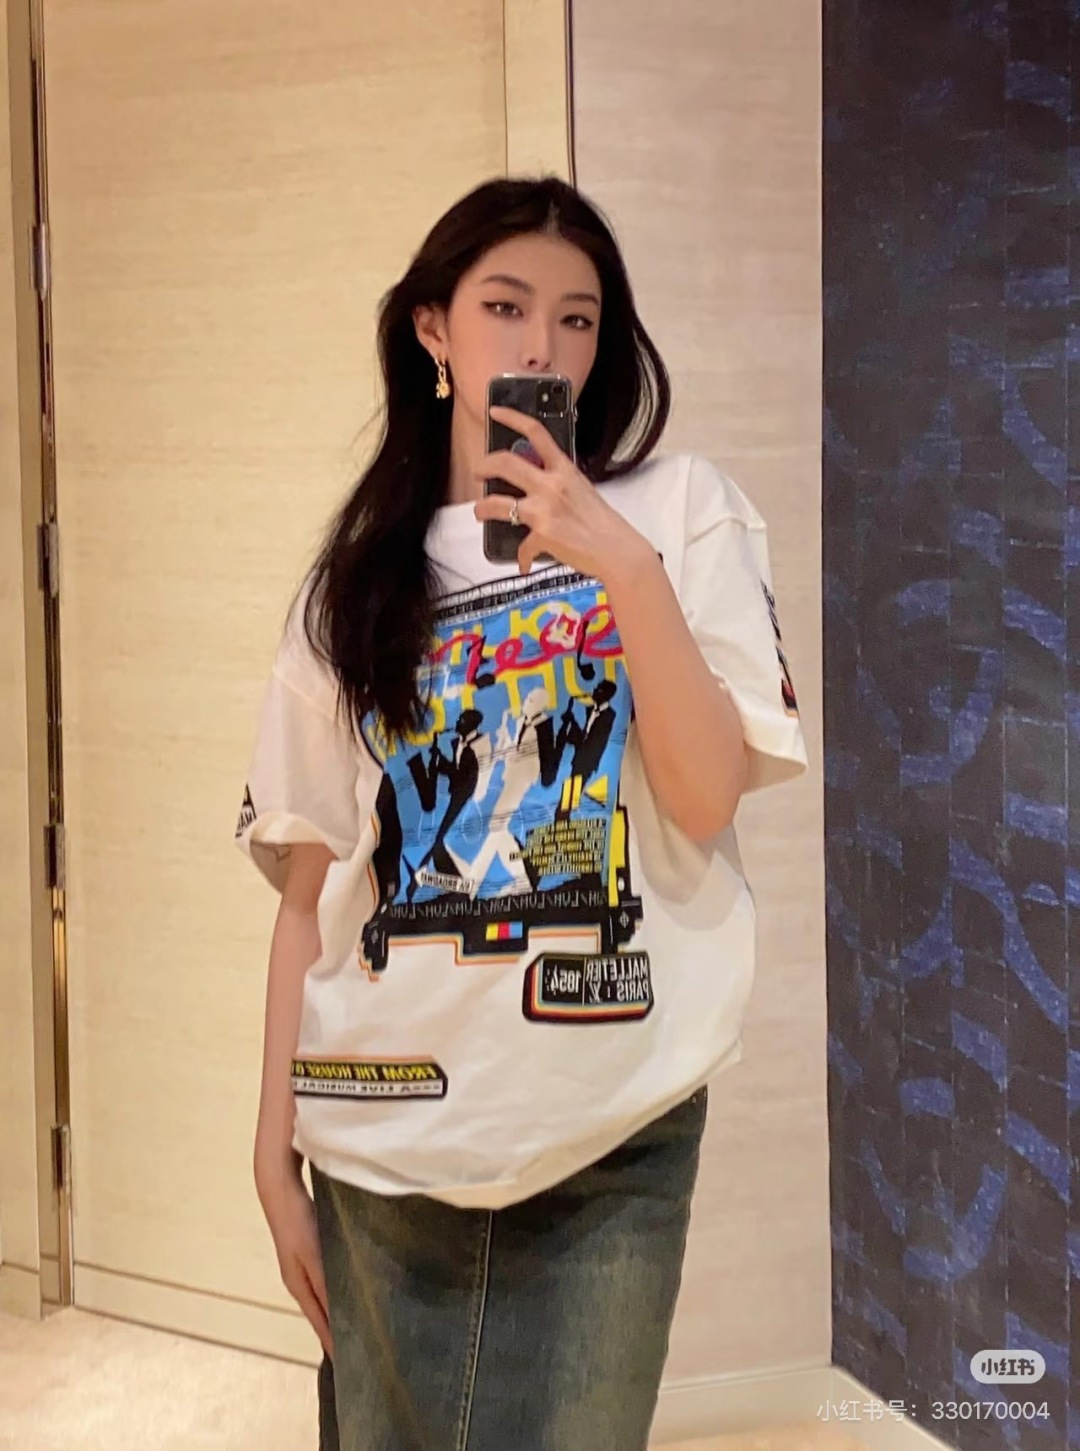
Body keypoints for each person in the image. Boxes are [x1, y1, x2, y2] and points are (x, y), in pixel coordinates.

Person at [236, 175, 807, 1451]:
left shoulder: (676, 514)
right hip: (377, 1129)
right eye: (505, 306)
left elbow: (705, 792)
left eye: (577, 318)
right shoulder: (351, 589)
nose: (543, 345)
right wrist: (271, 1151)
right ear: (433, 329)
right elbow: (309, 900)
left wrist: (620, 563)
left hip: (608, 1126)